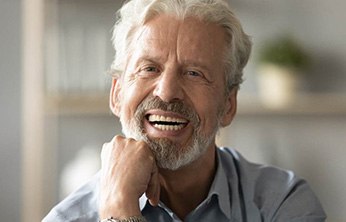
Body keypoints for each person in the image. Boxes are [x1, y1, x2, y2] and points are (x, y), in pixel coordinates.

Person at [43, 0, 326, 221]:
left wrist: (121, 214)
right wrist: (119, 204)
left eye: (194, 73)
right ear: (117, 94)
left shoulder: (282, 204)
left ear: (228, 105)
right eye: (149, 69)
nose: (166, 92)